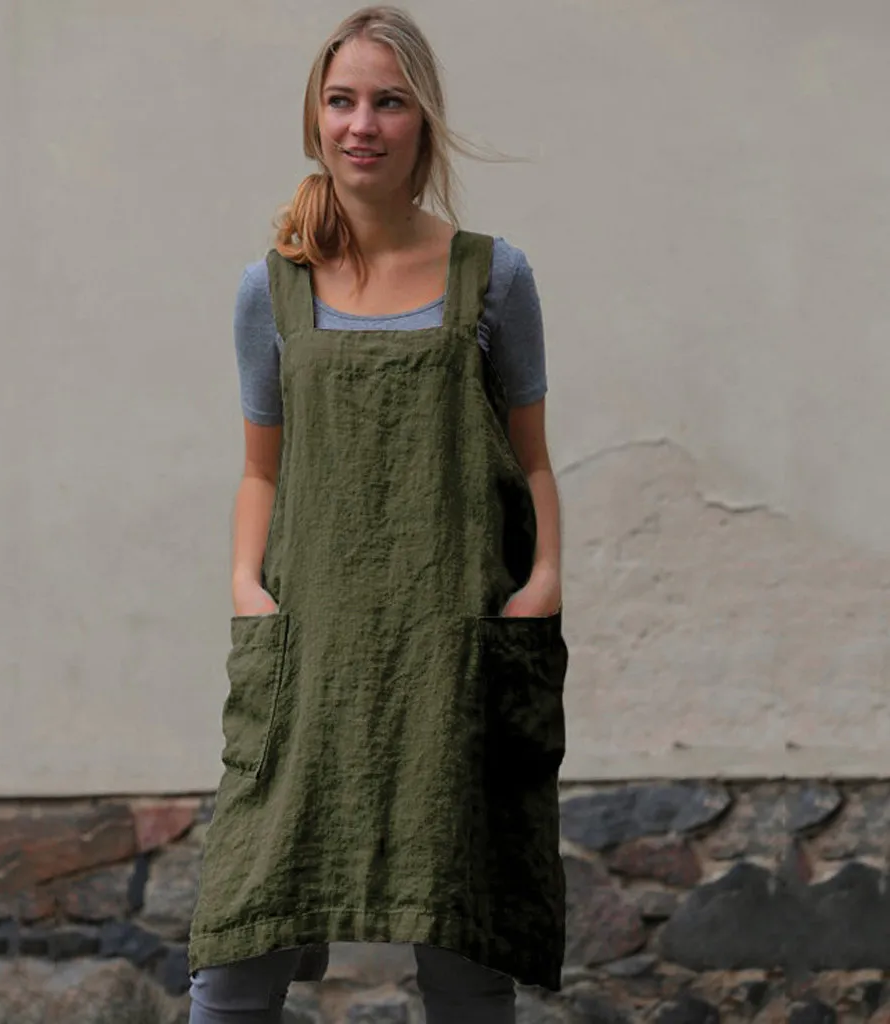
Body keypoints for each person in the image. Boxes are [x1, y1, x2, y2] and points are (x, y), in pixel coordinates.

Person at [187, 6, 568, 1023]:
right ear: (315, 118)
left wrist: (540, 586)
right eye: (342, 100)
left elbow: (531, 458)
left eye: (389, 102)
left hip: (452, 646)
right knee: (240, 940)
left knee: (462, 940)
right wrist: (246, 589)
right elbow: (261, 471)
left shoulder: (494, 277)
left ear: (423, 121)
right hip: (308, 649)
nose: (363, 124)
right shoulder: (271, 289)